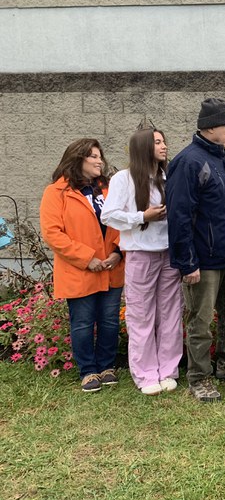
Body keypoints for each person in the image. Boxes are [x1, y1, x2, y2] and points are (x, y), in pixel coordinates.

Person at [165, 98, 225, 402]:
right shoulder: (189, 162)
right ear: (209, 128)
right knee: (201, 320)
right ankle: (199, 378)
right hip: (203, 261)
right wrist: (187, 263)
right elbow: (179, 217)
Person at [101, 126, 184, 396]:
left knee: (171, 314)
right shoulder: (123, 179)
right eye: (157, 142)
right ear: (142, 147)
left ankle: (169, 370)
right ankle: (146, 373)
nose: (163, 146)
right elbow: (109, 215)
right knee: (141, 315)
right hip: (140, 254)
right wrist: (142, 217)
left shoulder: (169, 177)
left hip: (170, 253)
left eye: (163, 141)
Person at [40, 138, 125, 393]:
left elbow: (124, 221)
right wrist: (88, 259)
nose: (100, 161)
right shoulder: (56, 193)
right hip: (80, 270)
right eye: (94, 157)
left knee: (109, 320)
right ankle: (88, 370)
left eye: (100, 156)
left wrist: (118, 252)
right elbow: (53, 233)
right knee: (83, 322)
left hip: (111, 267)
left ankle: (107, 366)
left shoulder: (110, 188)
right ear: (79, 159)